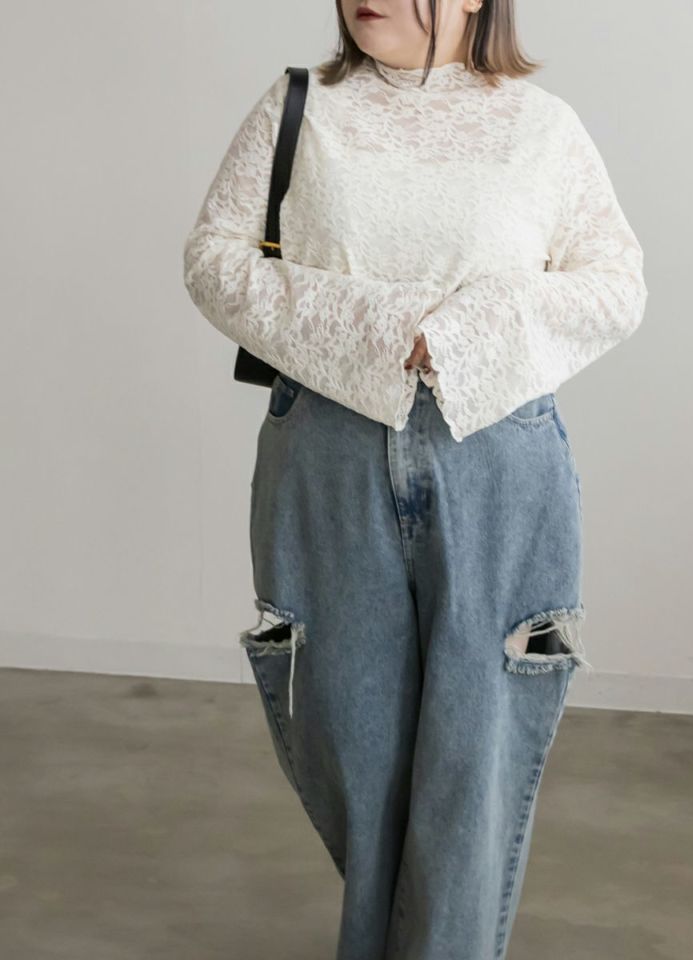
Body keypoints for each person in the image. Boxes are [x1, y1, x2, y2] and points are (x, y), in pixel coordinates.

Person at [183, 1, 648, 957]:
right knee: (353, 749)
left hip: (500, 462)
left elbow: (615, 284)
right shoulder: (299, 108)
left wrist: (465, 333)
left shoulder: (542, 126)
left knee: (472, 768)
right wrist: (387, 330)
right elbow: (214, 261)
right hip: (327, 456)